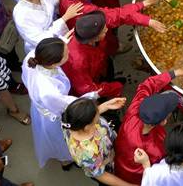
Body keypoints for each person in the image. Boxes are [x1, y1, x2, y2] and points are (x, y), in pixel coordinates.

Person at [114, 69, 183, 183]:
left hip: (119, 163)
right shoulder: (156, 149)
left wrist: (177, 72)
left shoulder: (135, 109)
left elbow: (148, 84)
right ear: (163, 122)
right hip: (136, 178)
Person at [22, 37, 78, 169]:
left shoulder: (33, 56)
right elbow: (62, 104)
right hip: (51, 114)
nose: (69, 52)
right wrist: (90, 98)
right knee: (58, 138)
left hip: (41, 105)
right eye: (66, 53)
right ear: (53, 64)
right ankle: (65, 159)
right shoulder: (47, 90)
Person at [63, 11, 145, 99]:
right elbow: (88, 89)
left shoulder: (83, 31)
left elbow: (116, 16)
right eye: (103, 32)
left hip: (101, 64)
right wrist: (114, 88)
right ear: (93, 39)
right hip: (93, 78)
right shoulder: (78, 62)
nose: (106, 30)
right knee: (109, 88)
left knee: (109, 72)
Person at [61, 97, 131, 185]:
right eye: (96, 114)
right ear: (87, 126)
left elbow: (84, 118)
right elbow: (101, 175)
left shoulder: (70, 123)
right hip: (107, 165)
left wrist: (106, 105)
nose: (99, 112)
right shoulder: (88, 154)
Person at [11, 0, 81, 54]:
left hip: (56, 33)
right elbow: (41, 40)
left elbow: (50, 0)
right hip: (46, 48)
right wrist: (64, 18)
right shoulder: (22, 16)